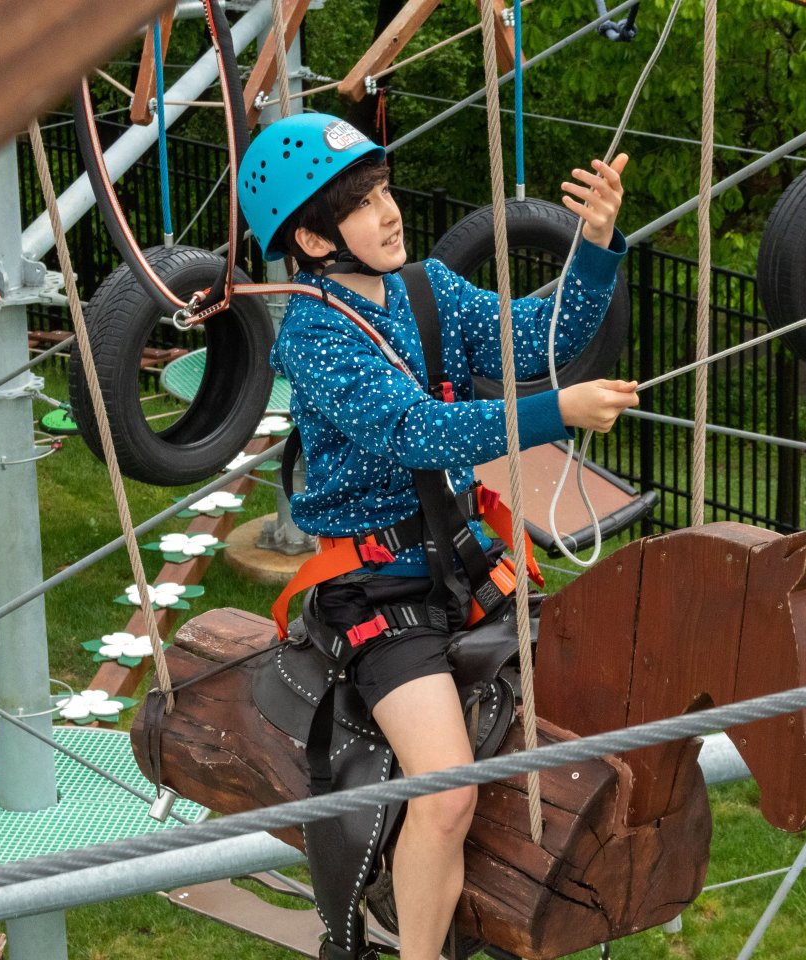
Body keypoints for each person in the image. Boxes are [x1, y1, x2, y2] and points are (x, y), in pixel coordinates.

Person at [238, 113, 637, 960]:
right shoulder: (315, 337)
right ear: (312, 239)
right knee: (449, 791)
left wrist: (595, 244)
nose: (389, 211)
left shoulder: (425, 289)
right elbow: (417, 431)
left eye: (384, 190)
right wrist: (553, 415)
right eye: (361, 203)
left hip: (462, 563)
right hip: (379, 593)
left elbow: (537, 336)